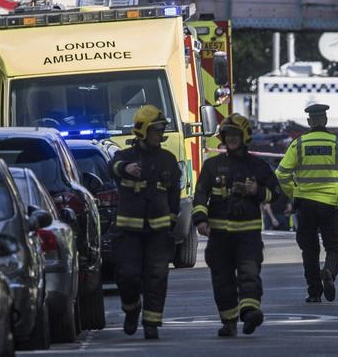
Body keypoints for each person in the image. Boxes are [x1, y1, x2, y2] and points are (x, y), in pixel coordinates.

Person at [192, 113, 280, 337]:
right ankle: (228, 322)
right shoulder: (212, 166)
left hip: (248, 234)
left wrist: (256, 191)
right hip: (219, 235)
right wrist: (201, 220)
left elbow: (276, 194)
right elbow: (201, 194)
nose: (231, 138)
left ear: (244, 137)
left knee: (249, 274)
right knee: (222, 280)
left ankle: (250, 312)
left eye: (235, 134)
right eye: (228, 134)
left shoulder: (258, 166)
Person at [275, 104, 338, 303]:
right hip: (329, 205)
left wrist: (294, 192)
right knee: (335, 246)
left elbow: (281, 174)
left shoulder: (299, 144)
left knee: (309, 250)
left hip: (305, 205)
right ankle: (329, 271)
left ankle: (314, 292)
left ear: (309, 122)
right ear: (324, 120)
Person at [108, 104, 180, 339]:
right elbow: (111, 167)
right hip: (128, 232)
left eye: (161, 130)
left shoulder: (168, 160)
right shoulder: (125, 156)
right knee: (127, 275)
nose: (160, 134)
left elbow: (174, 195)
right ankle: (131, 309)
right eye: (156, 130)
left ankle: (151, 324)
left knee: (157, 277)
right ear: (143, 131)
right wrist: (126, 168)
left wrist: (171, 221)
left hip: (158, 233)